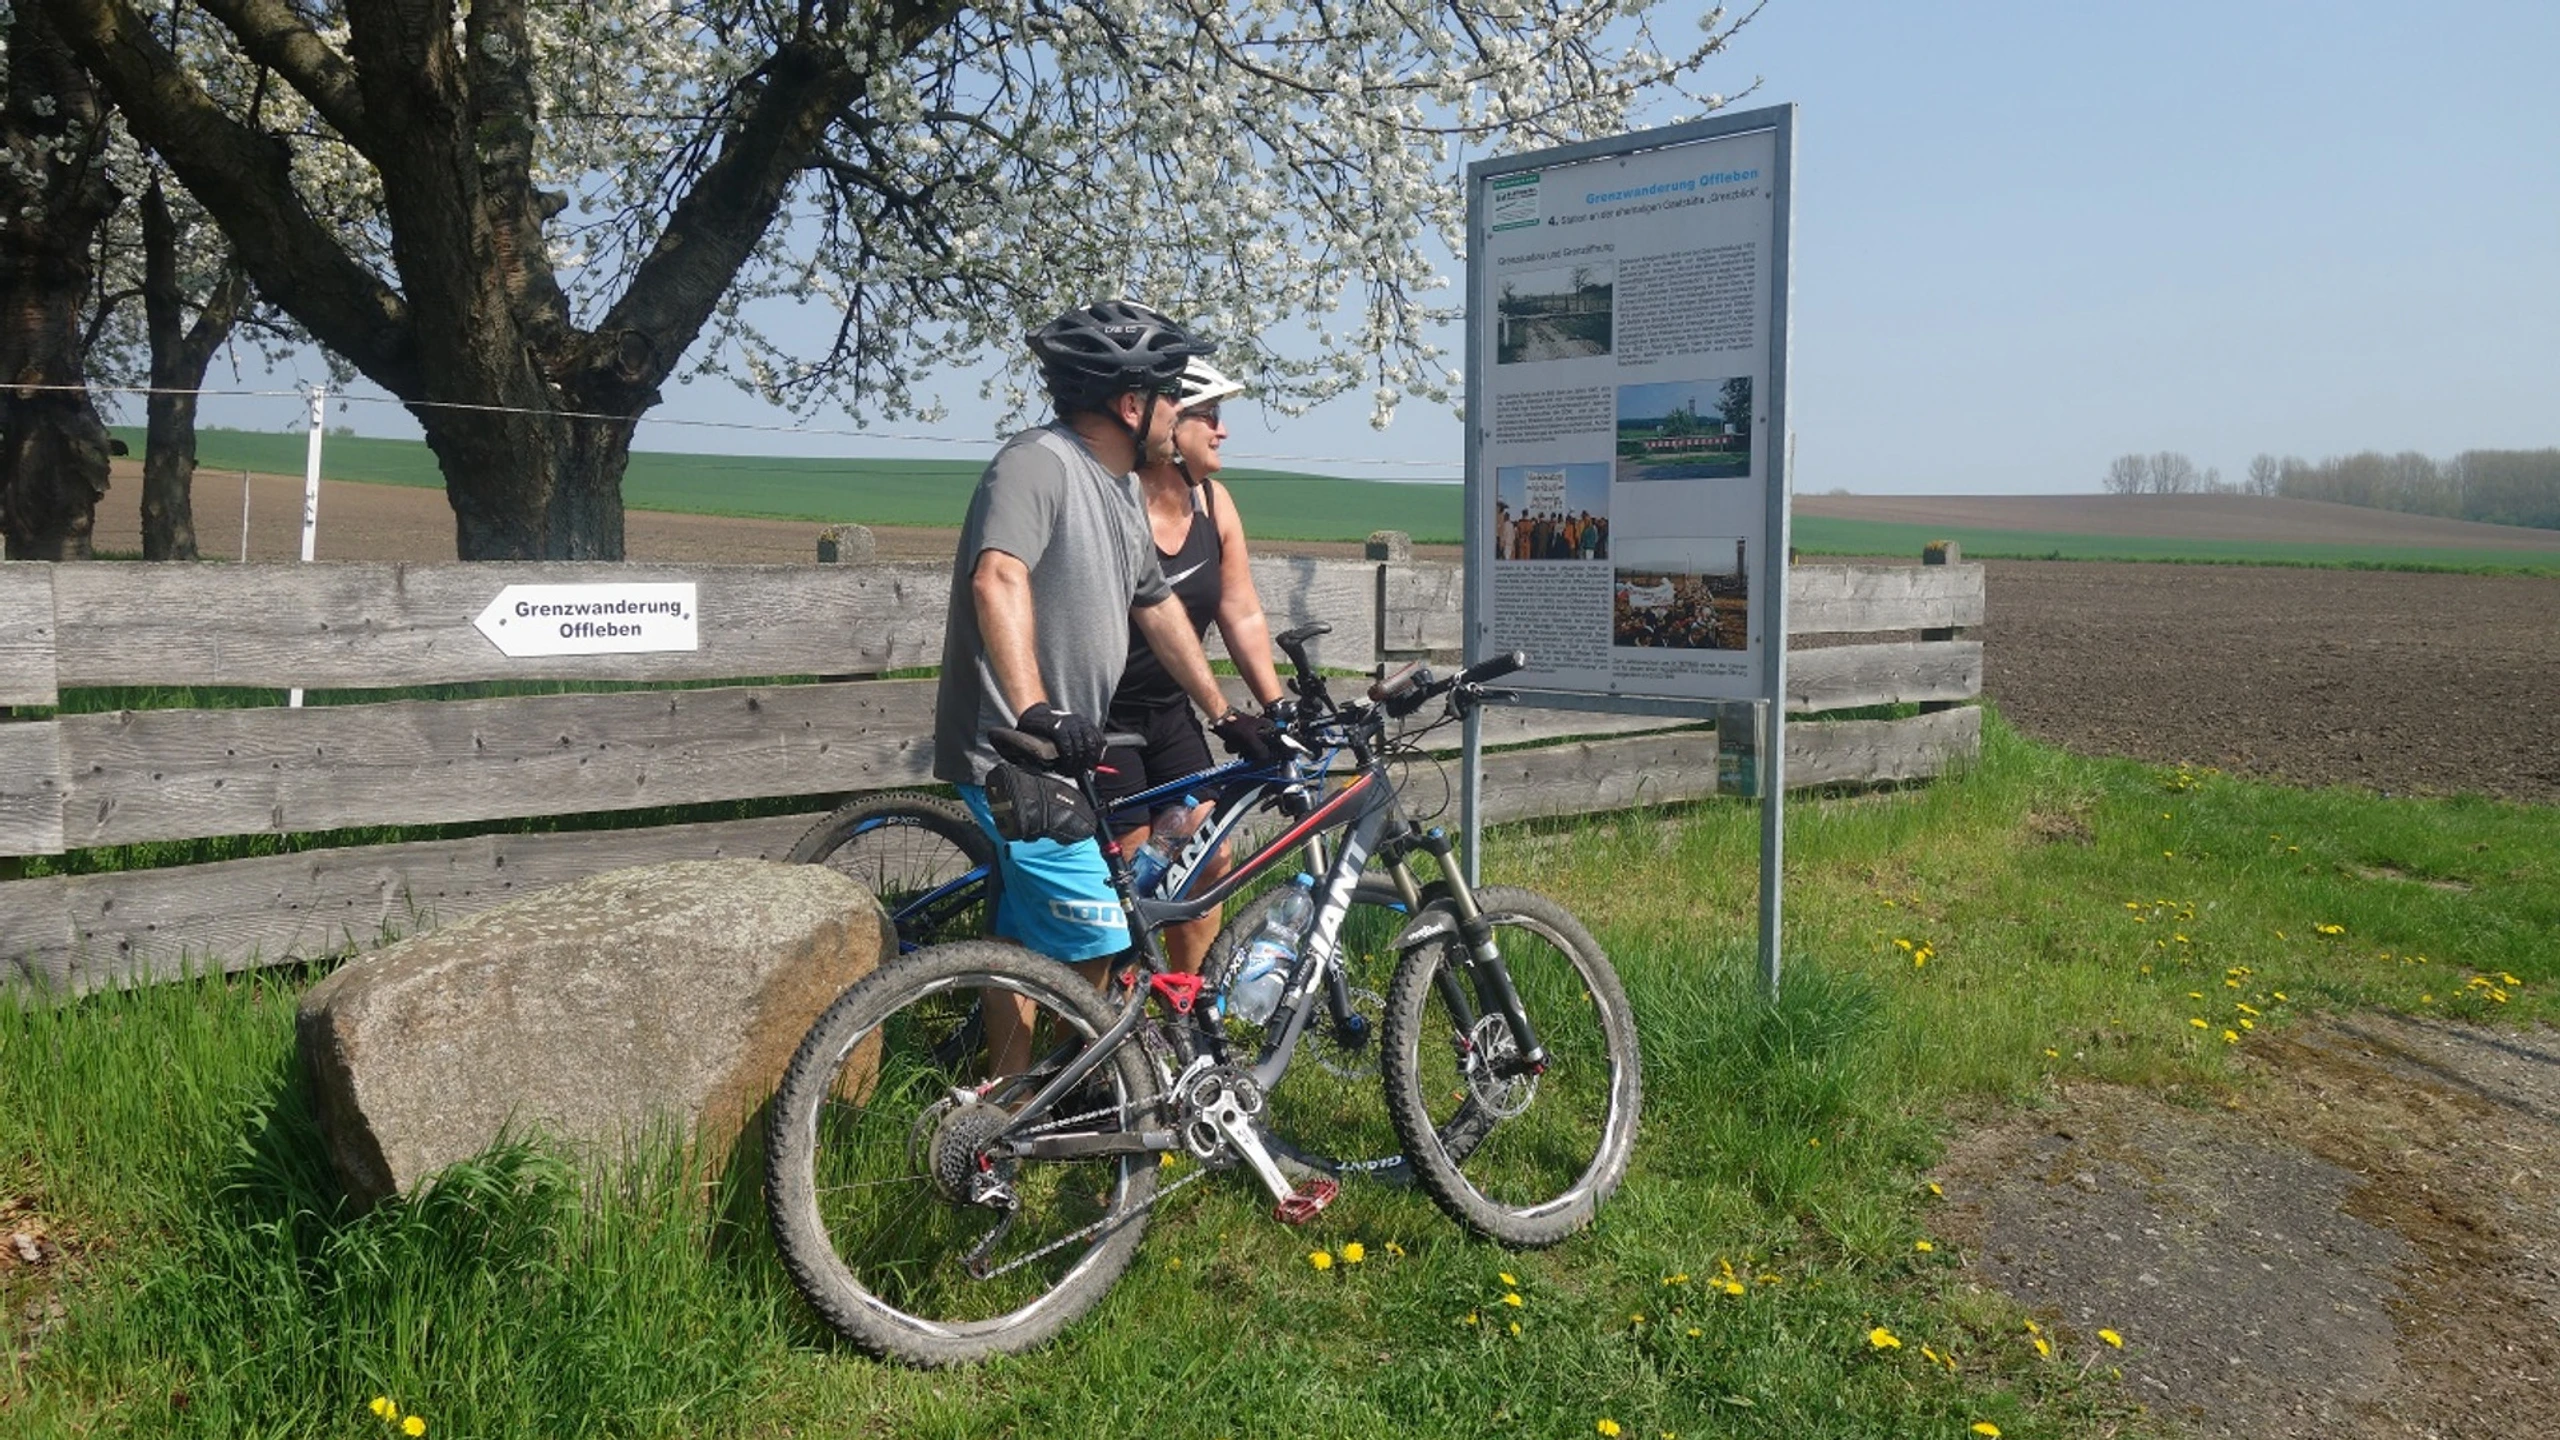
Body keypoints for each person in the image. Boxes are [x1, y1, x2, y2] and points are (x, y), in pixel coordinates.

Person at [932, 300, 1282, 1078]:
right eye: (1171, 394)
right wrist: (1033, 707)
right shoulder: (1037, 463)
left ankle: (1018, 1091)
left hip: (1061, 745)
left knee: (1032, 939)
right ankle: (1048, 1100)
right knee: (1094, 930)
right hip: (1014, 746)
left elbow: (1155, 606)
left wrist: (1225, 714)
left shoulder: (1120, 485)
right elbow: (999, 576)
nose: (1183, 412)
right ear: (1133, 405)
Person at [1095, 355, 1291, 977]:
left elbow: (1241, 611)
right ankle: (1111, 1038)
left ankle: (1183, 1010)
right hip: (1103, 717)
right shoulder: (1114, 503)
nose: (1221, 431)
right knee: (1135, 869)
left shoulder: (1213, 501)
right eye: (1208, 416)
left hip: (1170, 712)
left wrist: (1276, 704)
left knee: (1208, 855)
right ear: (1169, 425)